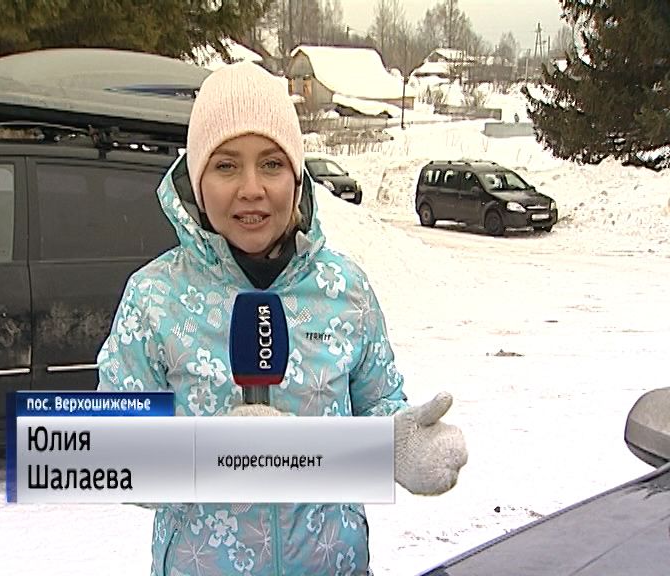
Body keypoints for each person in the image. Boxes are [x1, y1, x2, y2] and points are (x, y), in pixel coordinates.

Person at [96, 61, 467, 576]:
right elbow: (114, 452)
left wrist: (398, 445)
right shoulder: (154, 298)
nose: (251, 188)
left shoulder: (345, 289)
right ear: (197, 181)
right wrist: (209, 454)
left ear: (296, 177)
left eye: (271, 164)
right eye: (226, 165)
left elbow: (379, 402)